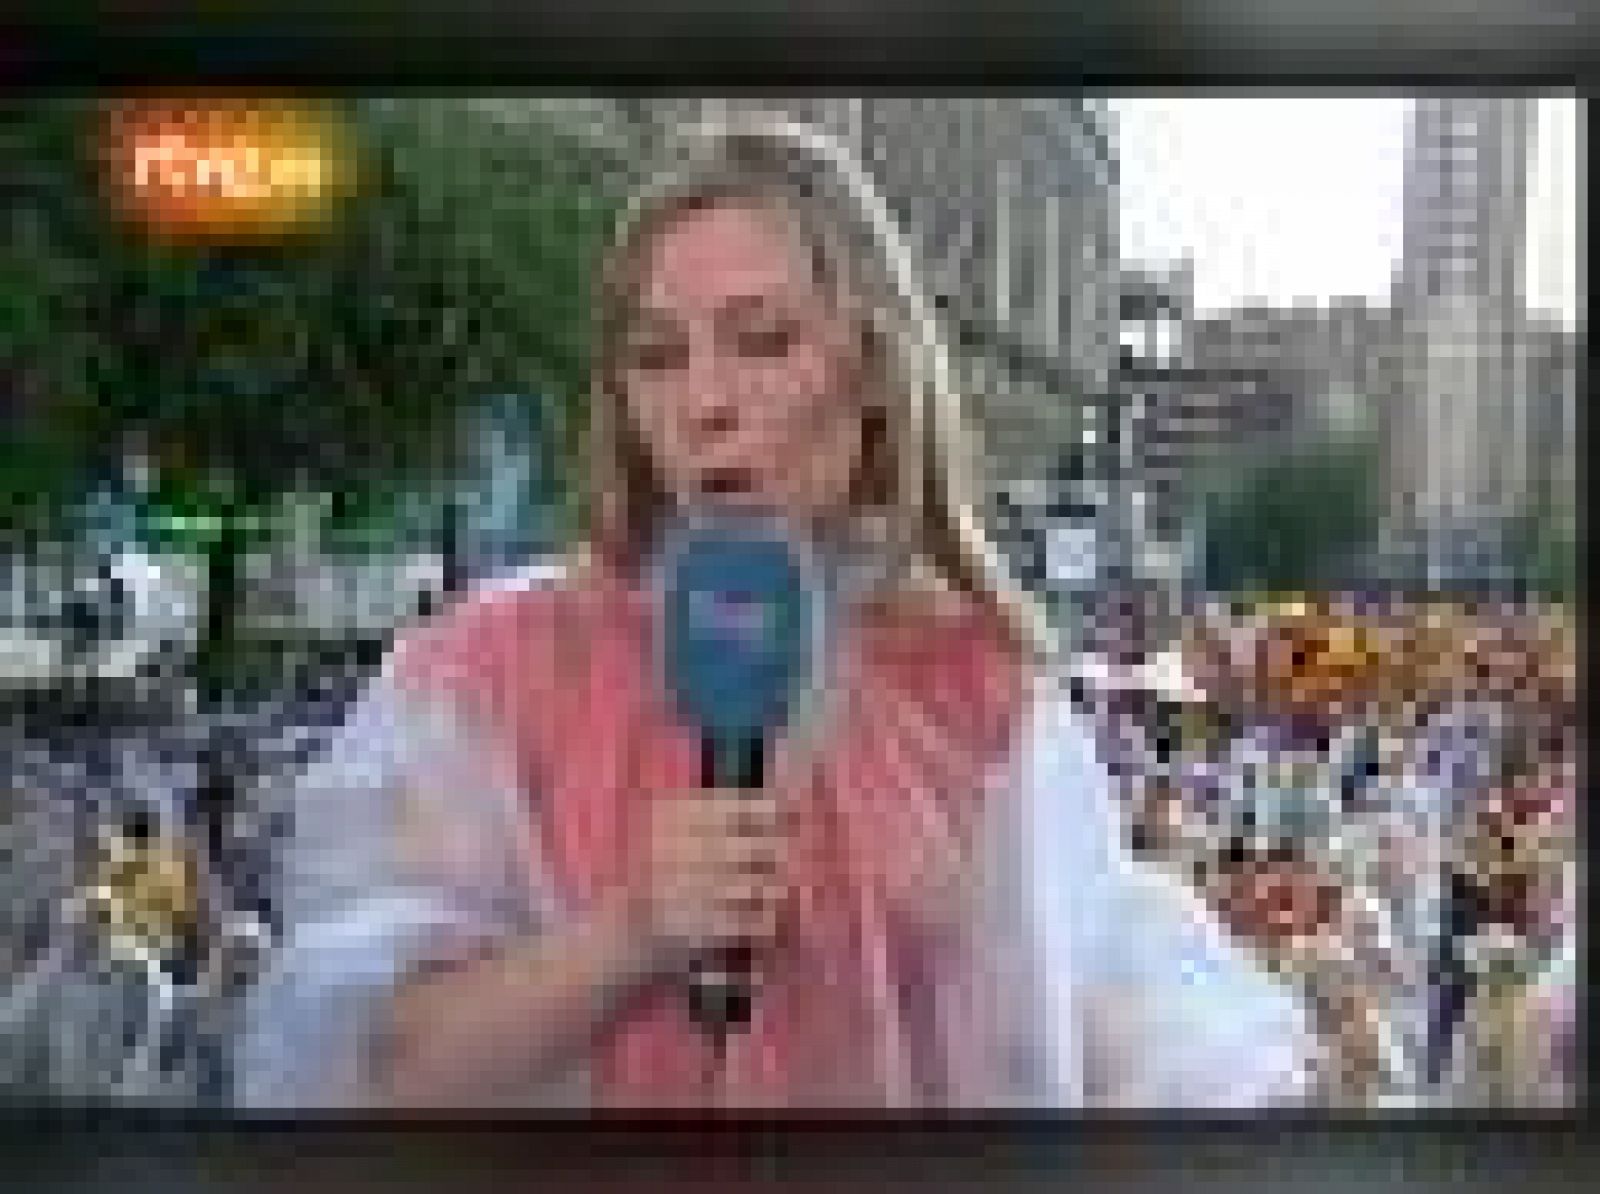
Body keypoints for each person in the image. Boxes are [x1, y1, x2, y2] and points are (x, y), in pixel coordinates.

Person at [238, 115, 1382, 1110]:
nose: (706, 404)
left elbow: (1099, 990)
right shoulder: (487, 672)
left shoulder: (976, 693)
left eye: (762, 341)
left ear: (873, 369)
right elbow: (367, 1066)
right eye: (656, 356)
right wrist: (632, 929)